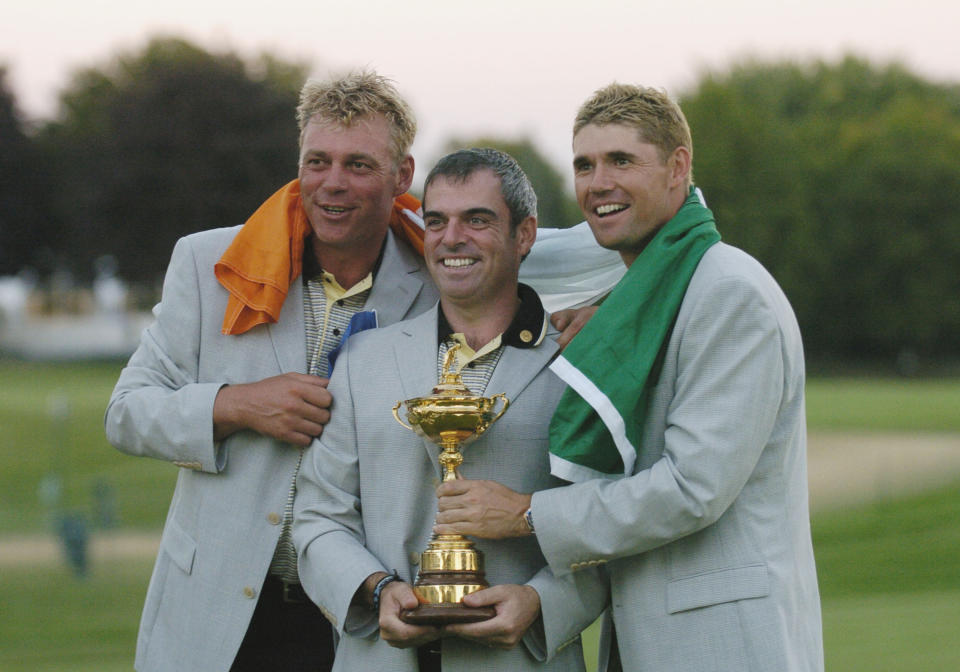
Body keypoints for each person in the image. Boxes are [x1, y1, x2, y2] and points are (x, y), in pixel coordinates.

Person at [104, 71, 618, 672]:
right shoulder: (208, 262)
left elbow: (584, 245)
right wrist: (235, 405)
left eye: (359, 165)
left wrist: (606, 314)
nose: (332, 184)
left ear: (403, 177)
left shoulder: (439, 270)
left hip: (363, 621)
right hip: (220, 603)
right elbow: (127, 413)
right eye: (317, 161)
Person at [434, 83, 825, 671]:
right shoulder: (647, 301)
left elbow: (692, 489)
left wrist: (525, 513)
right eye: (585, 165)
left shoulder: (730, 295)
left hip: (725, 646)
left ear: (678, 168)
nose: (598, 184)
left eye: (622, 160)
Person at [293, 148, 608, 672]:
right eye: (436, 221)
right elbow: (317, 516)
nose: (451, 238)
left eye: (477, 220)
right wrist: (374, 592)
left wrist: (540, 603)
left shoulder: (579, 363)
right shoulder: (363, 359)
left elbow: (611, 523)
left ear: (524, 234)